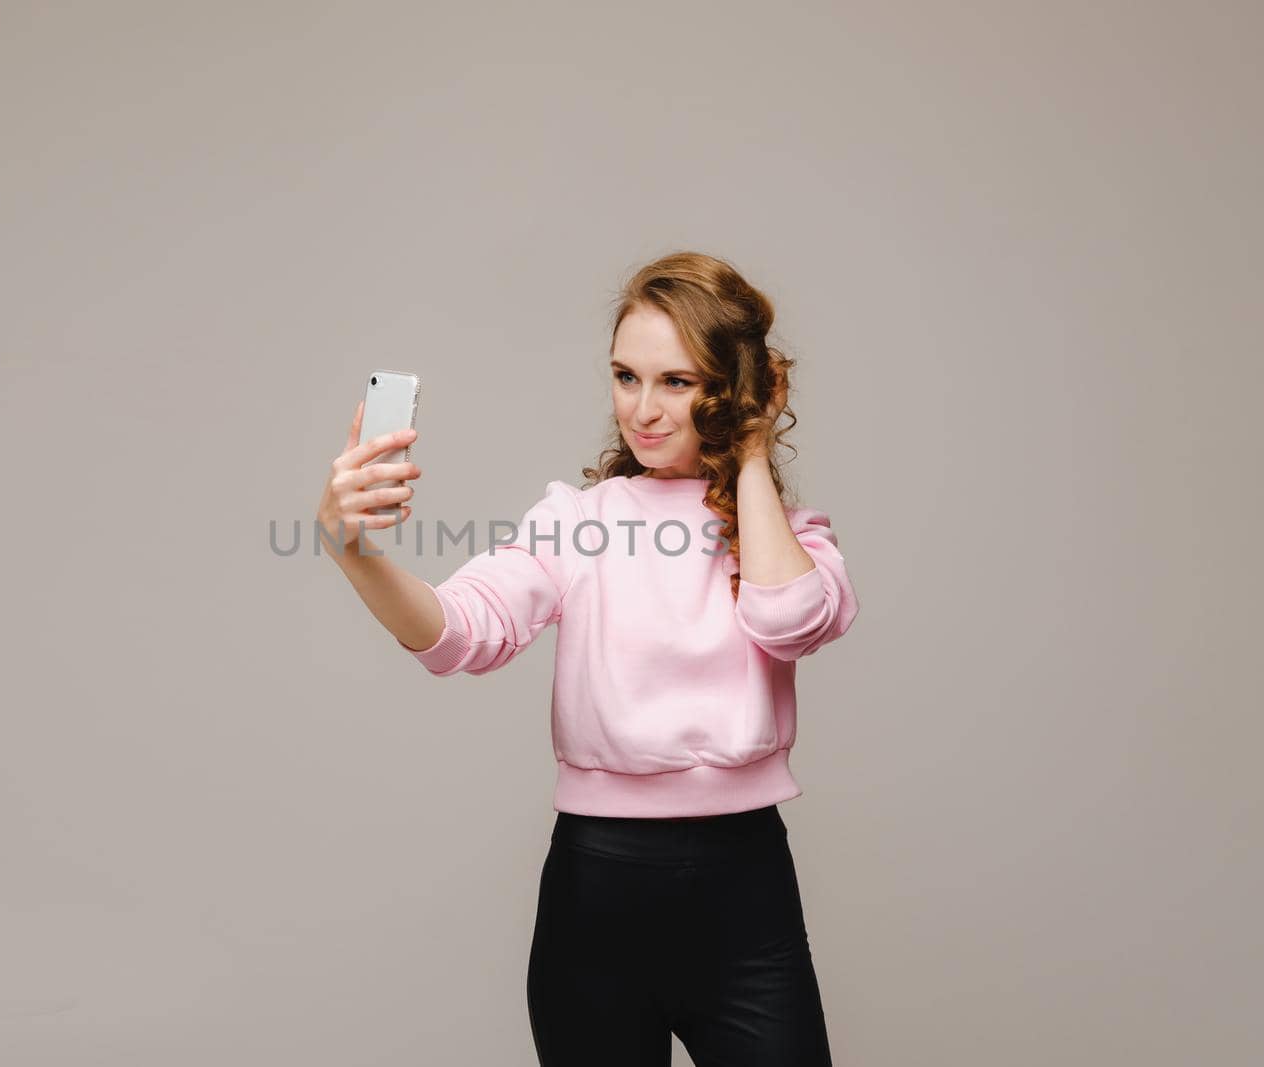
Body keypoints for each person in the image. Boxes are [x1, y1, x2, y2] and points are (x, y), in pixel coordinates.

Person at [316, 251, 860, 1066]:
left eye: (677, 381)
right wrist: (352, 549)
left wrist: (749, 457)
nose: (642, 410)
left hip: (745, 895)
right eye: (625, 376)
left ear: (738, 390)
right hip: (596, 895)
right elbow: (461, 630)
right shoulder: (576, 521)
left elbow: (790, 618)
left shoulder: (789, 535)